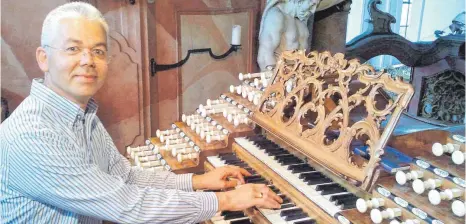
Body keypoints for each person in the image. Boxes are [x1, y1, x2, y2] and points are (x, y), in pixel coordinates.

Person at [0, 2, 282, 223]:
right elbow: (124, 204)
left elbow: (125, 176)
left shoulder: (84, 117)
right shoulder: (32, 134)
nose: (88, 60)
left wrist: (199, 181)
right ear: (43, 58)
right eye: (73, 49)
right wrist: (226, 201)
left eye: (98, 51)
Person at [257, 0, 343, 71]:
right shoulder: (275, 15)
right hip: (280, 81)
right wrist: (276, 85)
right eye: (310, 2)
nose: (312, 5)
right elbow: (264, 57)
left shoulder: (300, 20)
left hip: (299, 80)